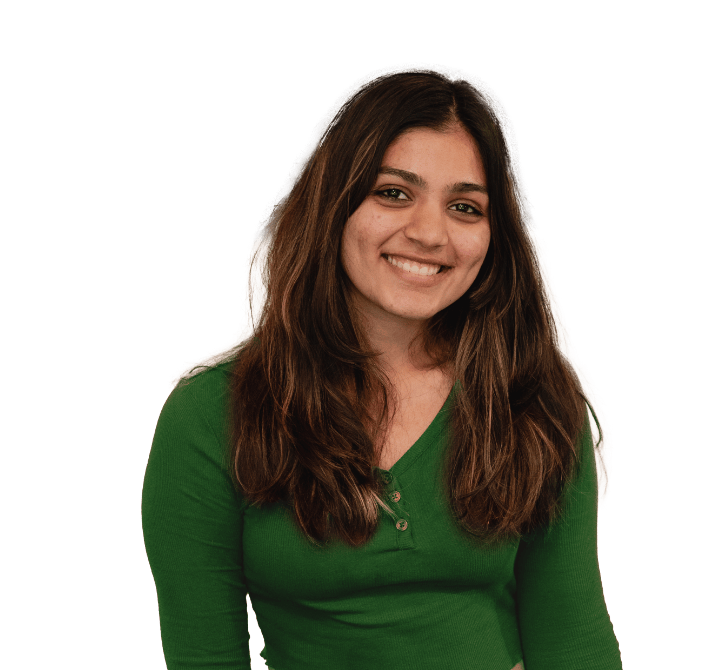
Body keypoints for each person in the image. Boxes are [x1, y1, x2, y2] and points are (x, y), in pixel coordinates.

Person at [141, 63, 622, 670]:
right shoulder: (215, 412)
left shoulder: (532, 397)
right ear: (334, 205)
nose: (429, 232)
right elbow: (204, 659)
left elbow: (574, 645)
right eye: (393, 193)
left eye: (466, 207)